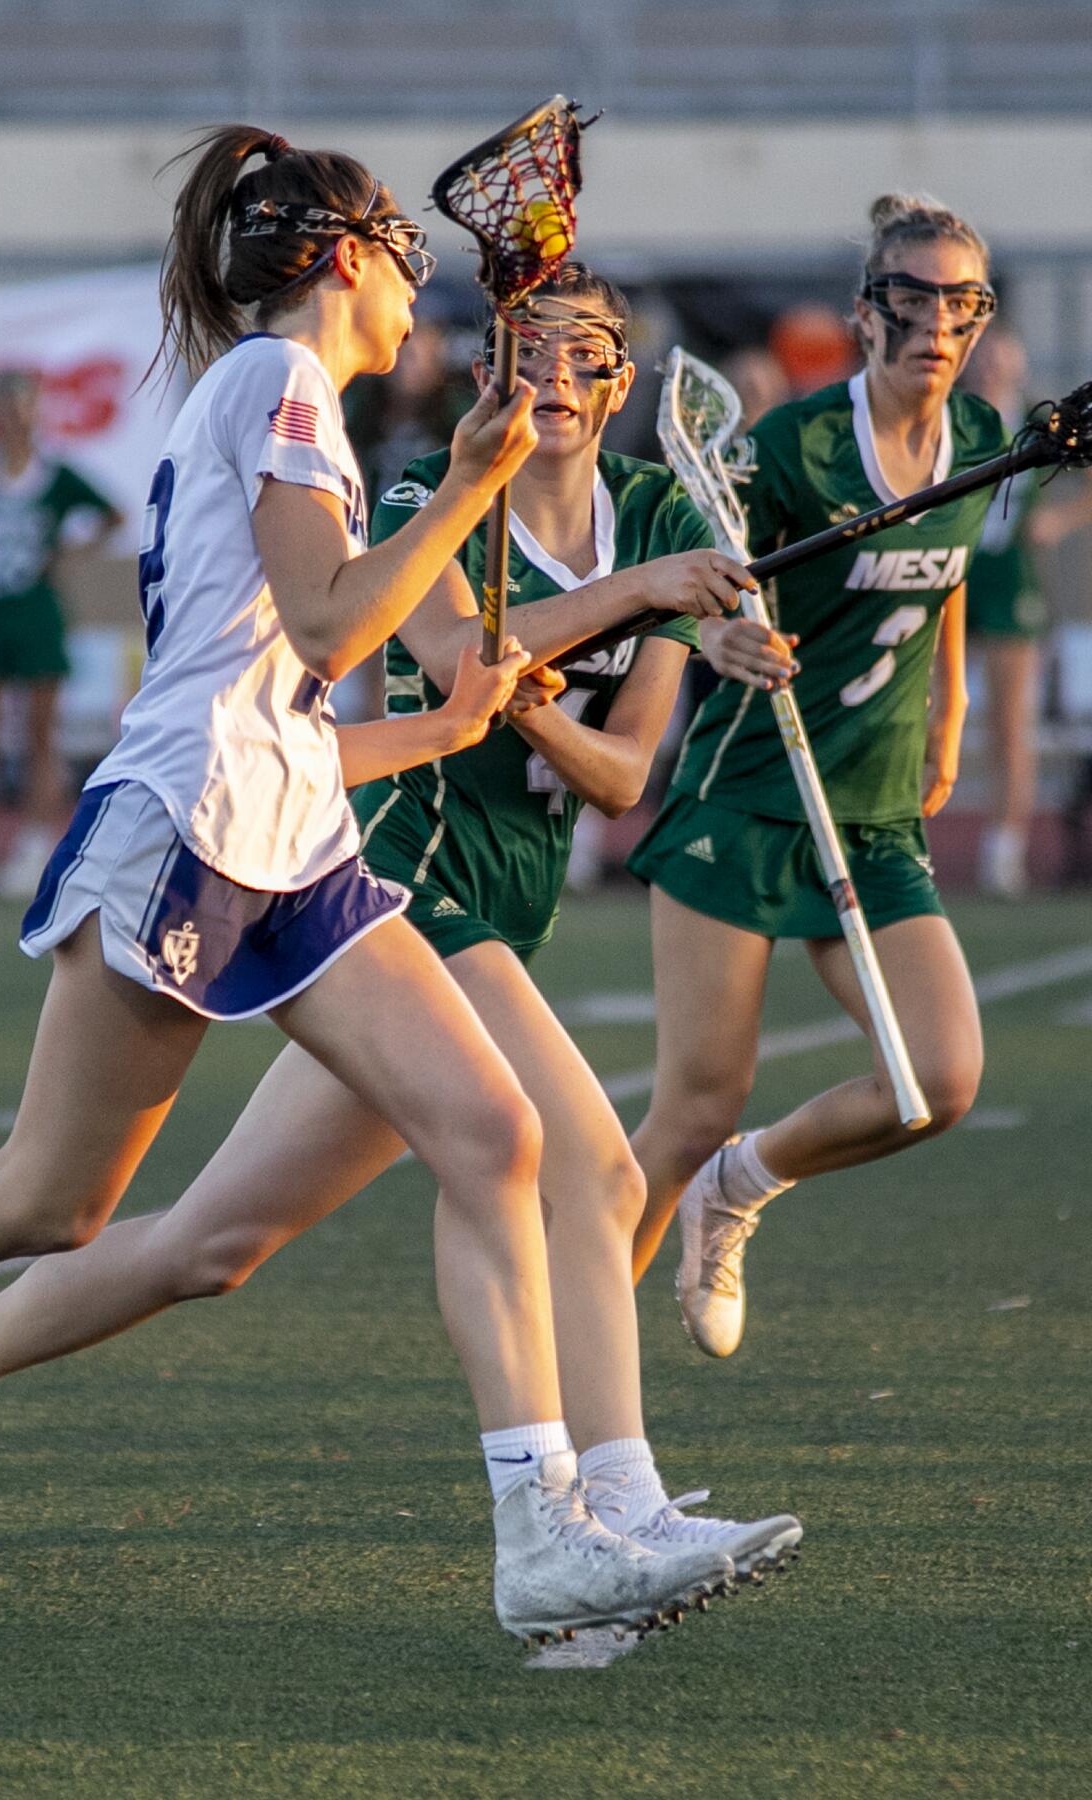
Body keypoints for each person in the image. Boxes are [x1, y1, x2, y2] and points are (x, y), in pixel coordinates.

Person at [0, 129, 750, 1645]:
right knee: (52, 1199)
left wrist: (444, 726)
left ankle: (545, 1535)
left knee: (494, 1132)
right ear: (343, 258)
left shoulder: (305, 411)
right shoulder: (280, 385)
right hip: (186, 833)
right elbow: (334, 625)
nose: (418, 284)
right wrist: (472, 478)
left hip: (293, 842)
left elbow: (289, 696)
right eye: (399, 255)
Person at [627, 194, 1007, 1358]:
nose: (936, 322)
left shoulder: (983, 439)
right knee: (693, 1106)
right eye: (913, 297)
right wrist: (722, 638)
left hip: (877, 812)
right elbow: (699, 578)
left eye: (961, 301)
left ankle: (741, 1188)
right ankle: (565, 1365)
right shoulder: (793, 447)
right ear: (867, 313)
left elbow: (939, 576)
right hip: (749, 799)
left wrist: (945, 723)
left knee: (934, 1080)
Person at [0, 369, 124, 899]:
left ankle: (37, 848)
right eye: (6, 409)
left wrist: (69, 555)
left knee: (41, 736)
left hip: (37, 614)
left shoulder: (56, 477)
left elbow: (113, 514)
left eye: (25, 409)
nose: (15, 420)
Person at [964, 327, 1092, 897]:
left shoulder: (1041, 420)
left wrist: (1058, 521)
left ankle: (1005, 847)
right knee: (917, 704)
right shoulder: (955, 415)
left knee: (1011, 720)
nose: (991, 365)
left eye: (1001, 355)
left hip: (1011, 573)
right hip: (953, 567)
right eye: (983, 355)